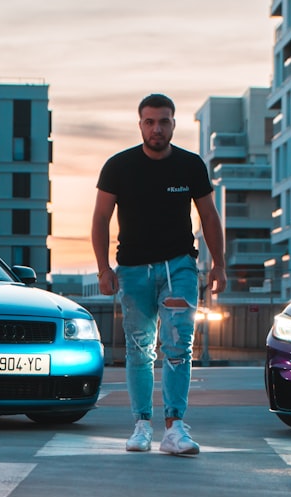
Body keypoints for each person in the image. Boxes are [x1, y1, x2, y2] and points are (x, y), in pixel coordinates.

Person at [91, 93, 227, 455]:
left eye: (163, 121)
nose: (156, 128)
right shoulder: (119, 166)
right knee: (139, 349)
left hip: (179, 267)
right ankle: (140, 425)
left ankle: (175, 427)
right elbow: (101, 218)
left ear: (173, 124)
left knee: (179, 344)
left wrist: (220, 264)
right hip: (133, 271)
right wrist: (104, 269)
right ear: (140, 125)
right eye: (150, 122)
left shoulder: (190, 166)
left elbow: (209, 216)